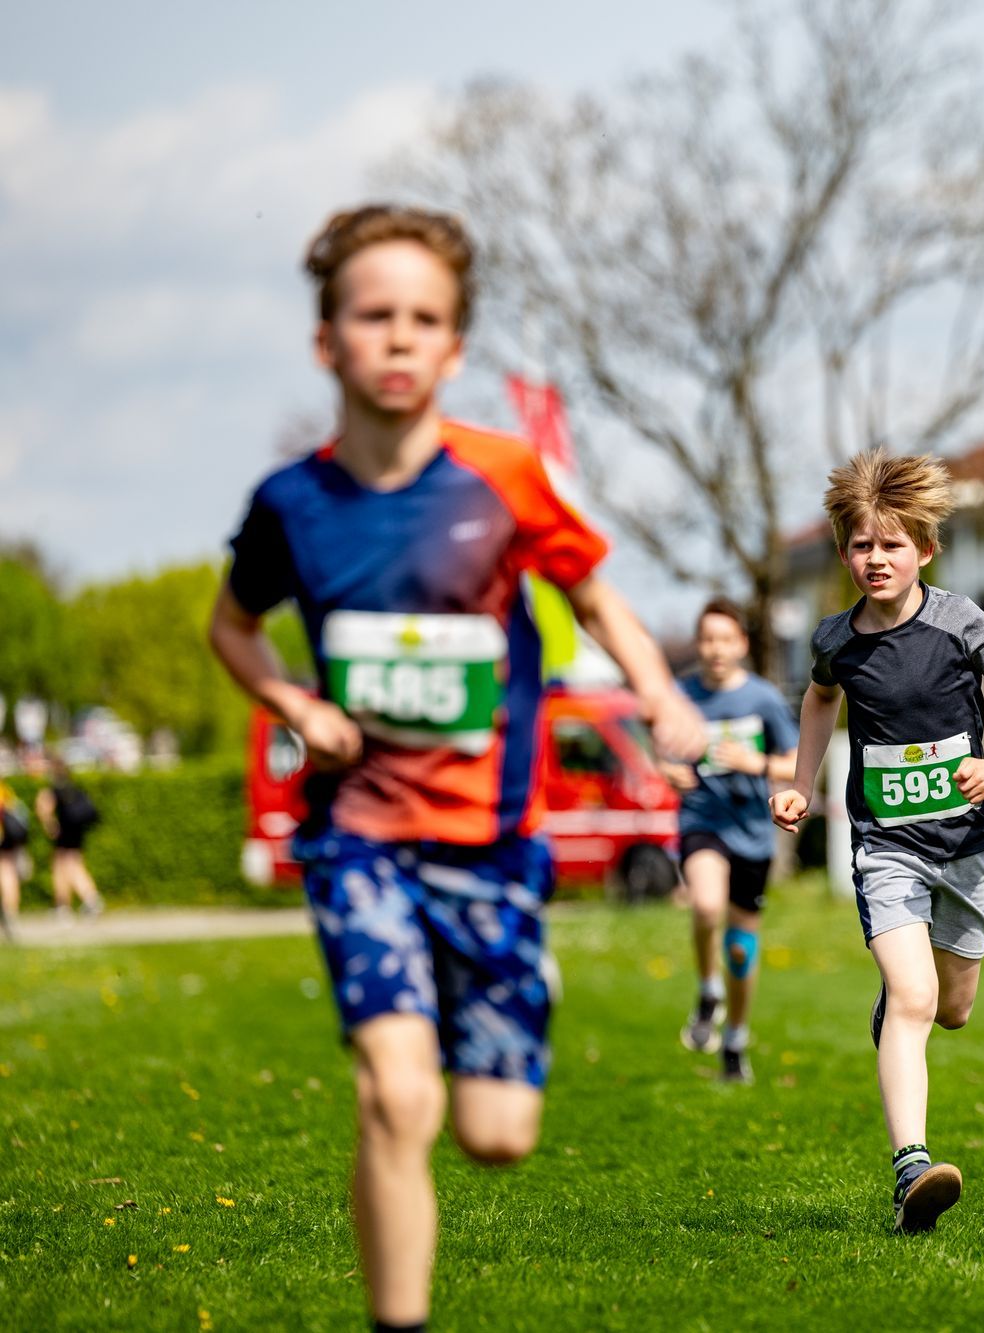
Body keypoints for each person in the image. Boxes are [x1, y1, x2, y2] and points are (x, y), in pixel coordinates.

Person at [207, 203, 705, 1333]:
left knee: (495, 1136)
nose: (397, 338)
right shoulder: (293, 505)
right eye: (373, 315)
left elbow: (594, 599)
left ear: (454, 348)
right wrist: (293, 703)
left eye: (422, 319)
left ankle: (521, 975)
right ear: (326, 340)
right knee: (395, 1094)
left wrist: (662, 697)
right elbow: (232, 630)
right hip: (361, 839)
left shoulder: (504, 476)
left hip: (489, 840)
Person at [770, 449, 984, 1233]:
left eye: (892, 544)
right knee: (917, 998)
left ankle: (902, 1001)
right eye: (862, 545)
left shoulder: (962, 621)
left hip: (964, 844)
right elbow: (819, 703)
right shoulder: (836, 639)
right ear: (843, 552)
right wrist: (802, 779)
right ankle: (911, 1169)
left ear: (924, 549)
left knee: (953, 1006)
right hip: (885, 847)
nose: (876, 558)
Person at [662, 597, 800, 1084]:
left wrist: (754, 764)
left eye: (725, 639)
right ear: (698, 644)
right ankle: (707, 991)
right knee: (704, 905)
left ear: (740, 644)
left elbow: (796, 762)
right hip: (703, 820)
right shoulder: (681, 695)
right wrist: (669, 771)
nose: (715, 649)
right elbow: (663, 749)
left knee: (742, 948)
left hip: (753, 833)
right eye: (707, 639)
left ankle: (736, 1039)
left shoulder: (762, 698)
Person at [36, 759, 104, 921]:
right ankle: (84, 900)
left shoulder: (53, 790)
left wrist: (49, 825)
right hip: (76, 833)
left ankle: (70, 903)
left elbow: (44, 808)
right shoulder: (74, 789)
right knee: (74, 865)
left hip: (64, 834)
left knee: (63, 867)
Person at [0, 778, 27, 940]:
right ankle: (11, 913)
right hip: (8, 837)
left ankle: (9, 914)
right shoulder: (4, 788)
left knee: (6, 872)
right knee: (9, 873)